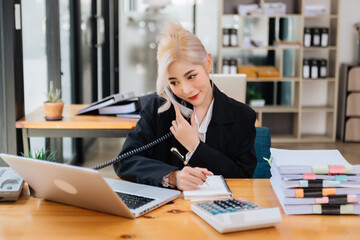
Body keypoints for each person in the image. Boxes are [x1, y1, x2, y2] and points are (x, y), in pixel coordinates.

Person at [114, 22, 257, 191]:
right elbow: (125, 160)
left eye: (191, 76)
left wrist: (195, 146)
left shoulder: (242, 115)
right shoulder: (158, 108)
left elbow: (242, 177)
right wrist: (172, 177)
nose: (186, 90)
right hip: (169, 211)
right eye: (174, 82)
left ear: (208, 63)